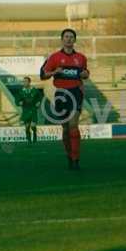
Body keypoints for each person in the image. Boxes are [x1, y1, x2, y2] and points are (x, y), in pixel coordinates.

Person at [41, 28, 89, 170]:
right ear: (62, 39)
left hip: (76, 92)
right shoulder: (54, 57)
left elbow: (85, 73)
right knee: (66, 129)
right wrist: (54, 72)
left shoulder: (81, 57)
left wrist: (85, 74)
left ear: (75, 40)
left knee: (73, 125)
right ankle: (69, 155)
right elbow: (44, 75)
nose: (68, 39)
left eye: (71, 37)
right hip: (61, 94)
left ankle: (75, 159)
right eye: (66, 37)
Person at [15, 76, 41, 144]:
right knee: (27, 127)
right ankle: (29, 141)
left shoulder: (34, 90)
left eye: (26, 81)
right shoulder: (21, 91)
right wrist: (19, 102)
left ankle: (35, 134)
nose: (24, 83)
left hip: (33, 109)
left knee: (32, 126)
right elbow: (17, 100)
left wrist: (39, 102)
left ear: (29, 82)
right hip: (25, 110)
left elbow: (39, 97)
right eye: (23, 82)